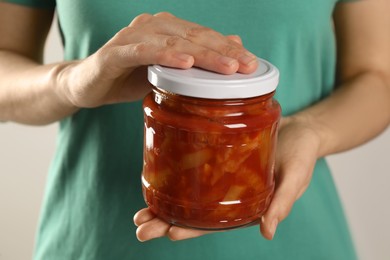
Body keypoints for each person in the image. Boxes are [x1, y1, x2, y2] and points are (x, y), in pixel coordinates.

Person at [0, 0, 389, 259]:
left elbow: (378, 77)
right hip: (96, 243)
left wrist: (310, 130)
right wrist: (71, 81)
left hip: (296, 242)